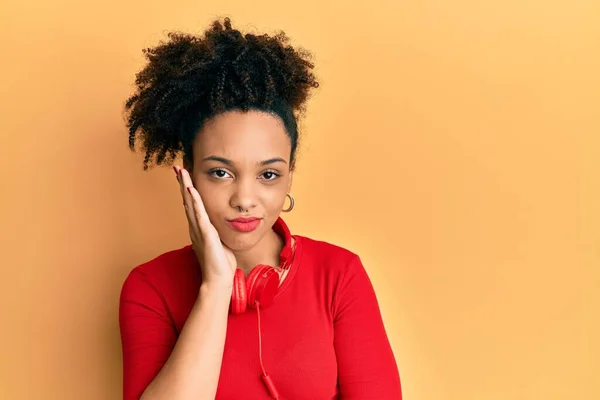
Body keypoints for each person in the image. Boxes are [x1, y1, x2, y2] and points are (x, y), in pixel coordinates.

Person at [119, 17, 402, 400]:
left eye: (268, 174)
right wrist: (217, 288)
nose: (245, 198)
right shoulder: (150, 288)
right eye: (220, 172)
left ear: (289, 177)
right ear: (187, 179)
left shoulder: (338, 276)